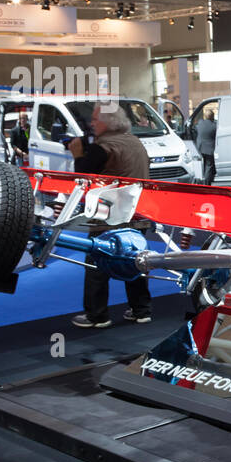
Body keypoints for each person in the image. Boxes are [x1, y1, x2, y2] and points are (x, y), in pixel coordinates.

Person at [68, 103, 153, 328]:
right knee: (135, 261)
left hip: (109, 216)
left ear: (107, 122)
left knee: (96, 262)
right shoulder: (135, 143)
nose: (91, 124)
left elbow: (84, 179)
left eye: (95, 120)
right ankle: (141, 310)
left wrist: (77, 155)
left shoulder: (102, 148)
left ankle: (97, 316)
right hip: (138, 213)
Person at [194, 103, 217, 186]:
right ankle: (206, 184)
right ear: (212, 117)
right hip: (209, 150)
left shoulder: (200, 124)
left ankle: (200, 182)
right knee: (208, 166)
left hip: (200, 149)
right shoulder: (214, 126)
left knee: (202, 167)